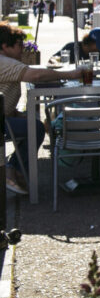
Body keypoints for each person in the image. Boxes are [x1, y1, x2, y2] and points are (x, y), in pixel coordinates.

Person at [0, 22, 82, 194]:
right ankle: (12, 170)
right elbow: (36, 75)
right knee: (35, 128)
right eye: (18, 45)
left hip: (4, 118)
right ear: (5, 46)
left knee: (33, 124)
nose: (22, 49)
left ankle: (15, 171)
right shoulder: (4, 62)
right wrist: (71, 74)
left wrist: (16, 113)